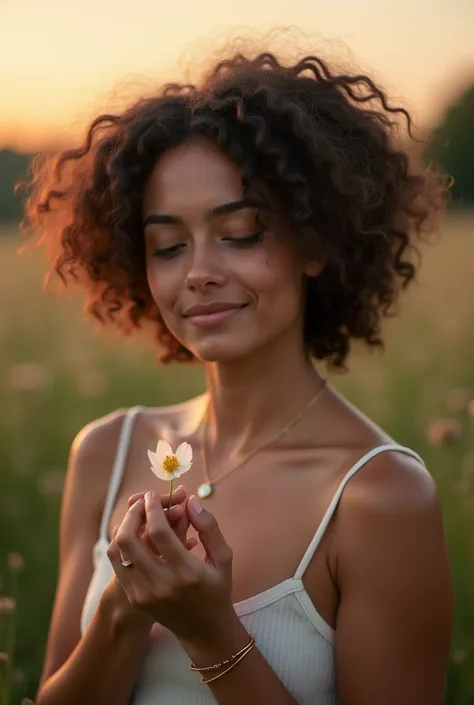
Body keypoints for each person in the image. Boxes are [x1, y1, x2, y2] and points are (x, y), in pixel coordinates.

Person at [24, 45, 453, 705]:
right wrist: (123, 610)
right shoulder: (106, 451)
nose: (198, 271)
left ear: (314, 241)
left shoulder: (381, 497)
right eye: (167, 246)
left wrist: (211, 632)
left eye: (242, 233)